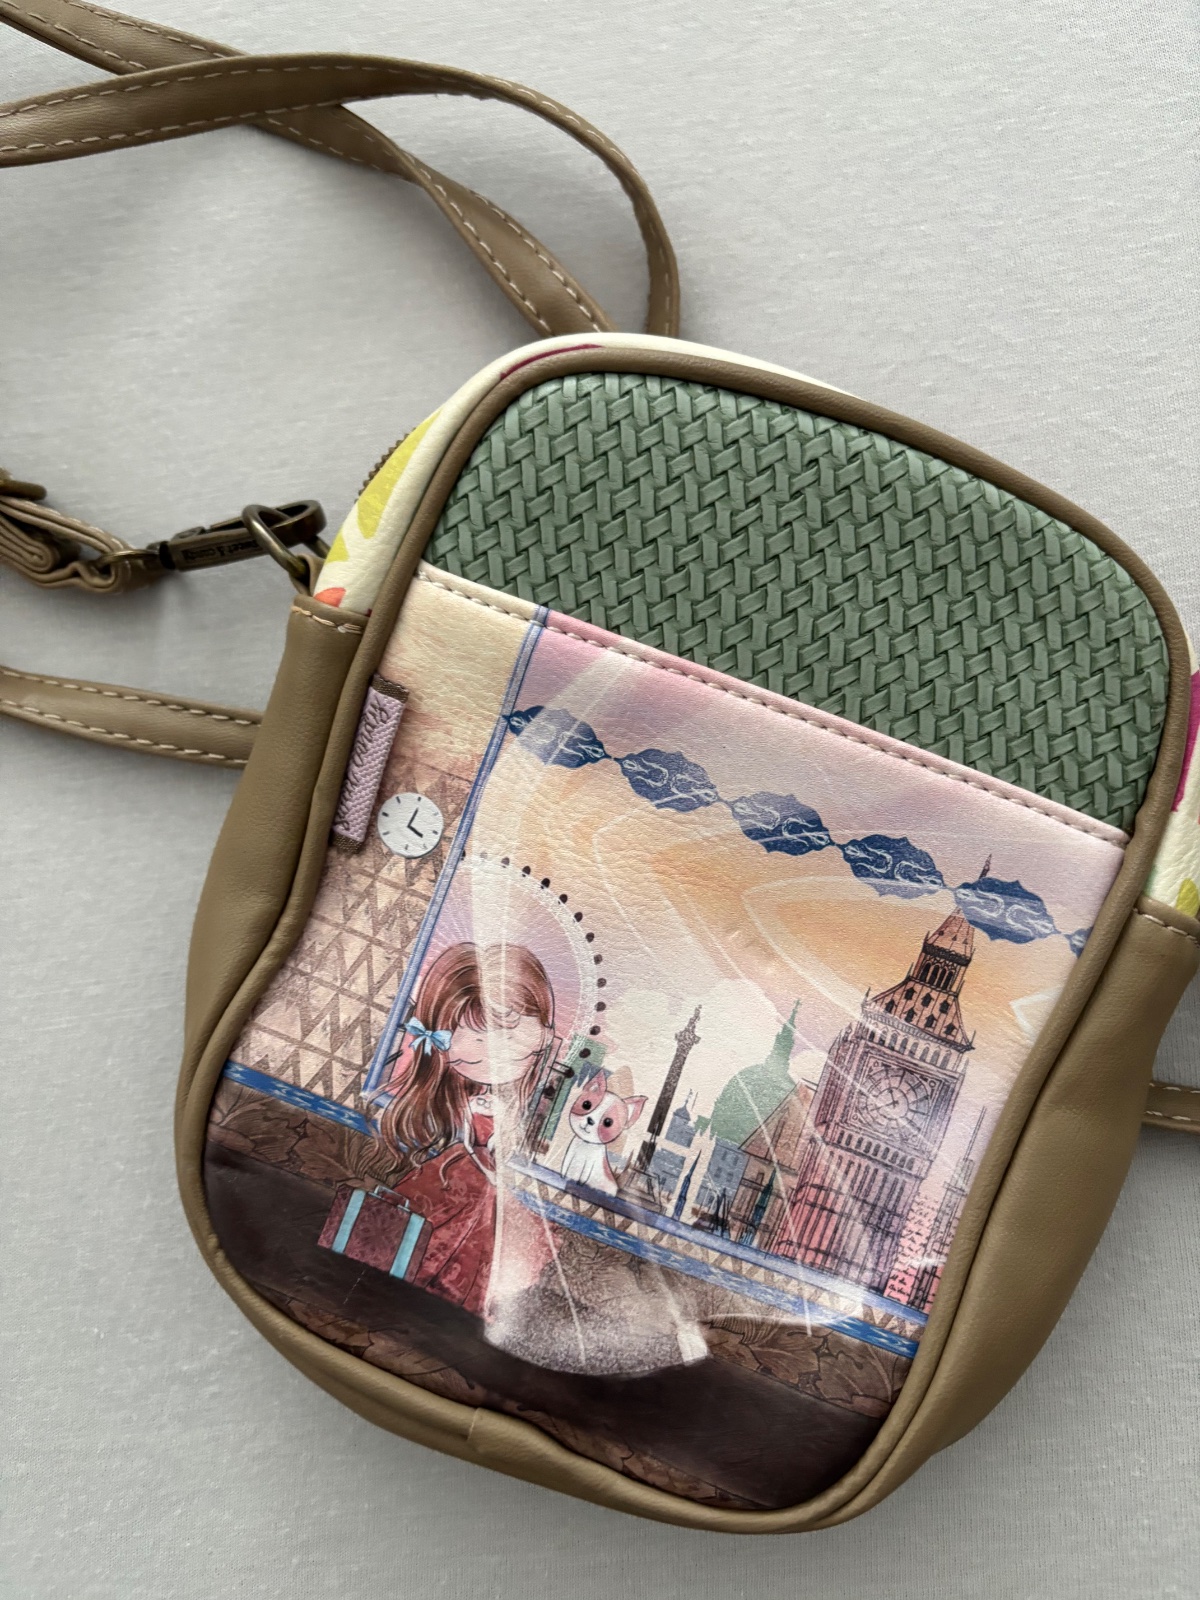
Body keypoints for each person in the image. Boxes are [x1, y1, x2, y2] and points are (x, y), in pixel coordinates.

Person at [377, 941, 556, 1316]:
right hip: (450, 1178)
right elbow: (464, 1143)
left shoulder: (504, 1101)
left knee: (489, 1223)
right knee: (464, 1217)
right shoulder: (453, 1099)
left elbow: (499, 1148)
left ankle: (465, 1300)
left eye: (514, 1040)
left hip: (480, 1179)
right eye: (477, 1039)